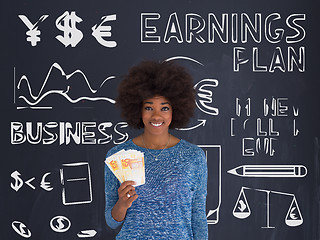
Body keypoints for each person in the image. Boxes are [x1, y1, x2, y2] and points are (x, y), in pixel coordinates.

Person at [104, 60, 208, 239]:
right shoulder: (118, 156)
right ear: (138, 110)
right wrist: (122, 204)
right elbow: (112, 221)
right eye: (149, 107)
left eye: (164, 108)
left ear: (175, 110)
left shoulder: (193, 157)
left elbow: (198, 217)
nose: (157, 115)